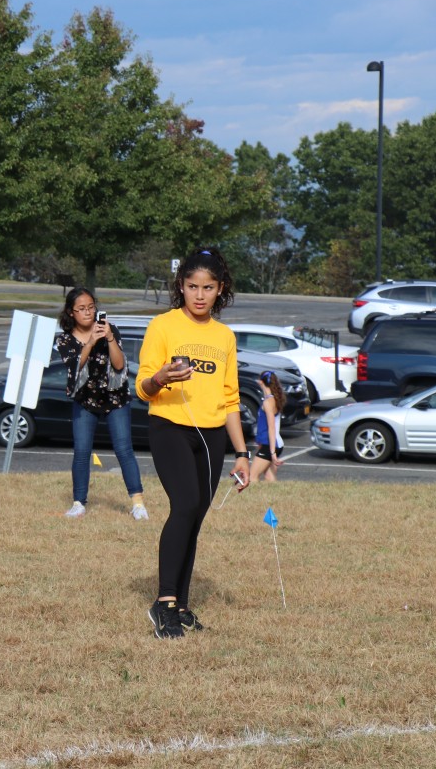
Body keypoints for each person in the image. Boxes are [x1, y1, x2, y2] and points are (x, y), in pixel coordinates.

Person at [136, 247, 250, 639]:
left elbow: (231, 400)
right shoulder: (163, 327)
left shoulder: (224, 337)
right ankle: (164, 602)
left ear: (221, 290)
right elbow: (143, 387)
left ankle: (182, 606)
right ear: (180, 287)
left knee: (195, 516)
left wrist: (241, 454)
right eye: (192, 287)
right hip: (169, 427)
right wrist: (162, 377)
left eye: (208, 288)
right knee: (183, 505)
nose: (199, 295)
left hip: (212, 435)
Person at [54, 288, 146, 520]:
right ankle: (79, 503)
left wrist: (109, 338)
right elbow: (74, 367)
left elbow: (118, 365)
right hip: (85, 400)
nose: (88, 312)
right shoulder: (65, 338)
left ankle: (138, 504)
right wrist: (90, 342)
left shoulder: (108, 329)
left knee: (124, 449)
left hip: (115, 398)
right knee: (82, 450)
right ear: (71, 312)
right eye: (81, 309)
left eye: (91, 307)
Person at [250, 371, 286, 483]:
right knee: (269, 478)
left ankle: (251, 499)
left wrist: (272, 453)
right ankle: (274, 500)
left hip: (270, 445)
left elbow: (271, 428)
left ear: (261, 382)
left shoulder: (268, 402)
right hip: (271, 444)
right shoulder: (274, 399)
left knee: (252, 477)